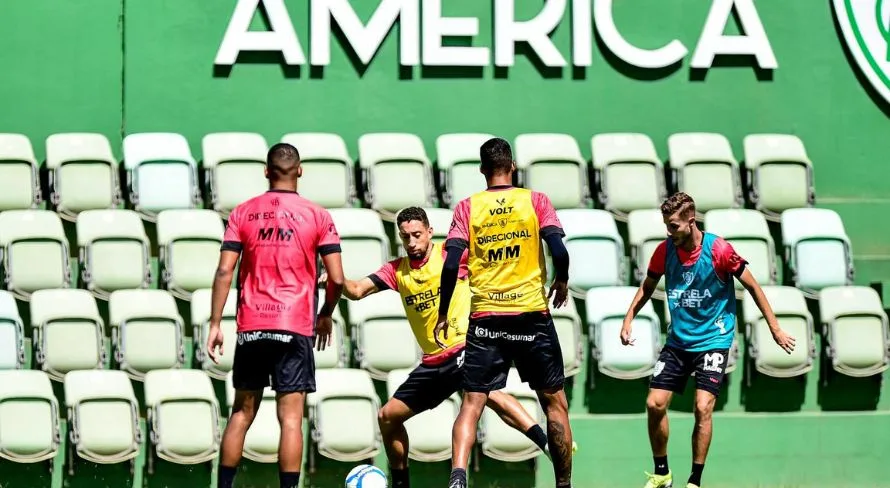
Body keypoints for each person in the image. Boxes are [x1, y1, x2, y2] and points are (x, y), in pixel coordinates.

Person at [321, 206, 557, 488]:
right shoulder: (397, 271)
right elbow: (357, 290)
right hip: (433, 362)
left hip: (464, 348)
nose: (411, 242)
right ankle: (401, 484)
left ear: (429, 233)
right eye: (405, 236)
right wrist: (336, 280)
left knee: (489, 394)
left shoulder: (450, 257)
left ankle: (546, 444)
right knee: (387, 417)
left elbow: (496, 261)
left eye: (417, 235)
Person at [620, 192, 796, 488]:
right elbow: (648, 286)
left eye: (673, 225)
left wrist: (775, 328)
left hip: (714, 339)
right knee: (654, 404)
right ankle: (662, 472)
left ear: (691, 222)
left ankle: (694, 481)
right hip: (678, 342)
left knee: (702, 407)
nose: (668, 231)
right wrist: (628, 319)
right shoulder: (664, 251)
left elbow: (753, 287)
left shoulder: (720, 250)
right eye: (666, 225)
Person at [434, 137, 575, 488]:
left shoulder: (468, 207)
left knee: (472, 402)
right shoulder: (536, 201)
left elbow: (451, 263)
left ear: (482, 170)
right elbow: (558, 248)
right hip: (530, 315)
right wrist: (562, 279)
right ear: (512, 166)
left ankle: (458, 477)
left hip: (486, 319)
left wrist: (442, 311)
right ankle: (564, 485)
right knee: (554, 402)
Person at [206, 143, 345, 488]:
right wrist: (325, 313)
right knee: (291, 420)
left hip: (252, 324)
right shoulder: (318, 215)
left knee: (241, 413)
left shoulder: (242, 213)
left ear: (267, 171)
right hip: (294, 325)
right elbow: (338, 278)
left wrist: (214, 323)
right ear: (300, 171)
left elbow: (225, 271)